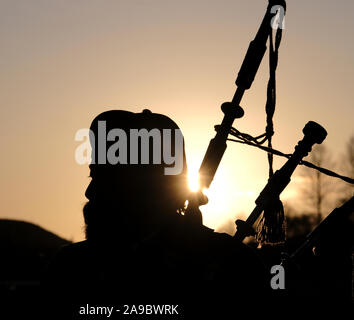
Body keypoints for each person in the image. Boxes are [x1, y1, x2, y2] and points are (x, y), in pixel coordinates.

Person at [44, 109, 270, 313]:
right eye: (93, 176)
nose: (89, 191)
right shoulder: (232, 260)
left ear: (143, 188)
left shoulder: (71, 268)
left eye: (103, 179)